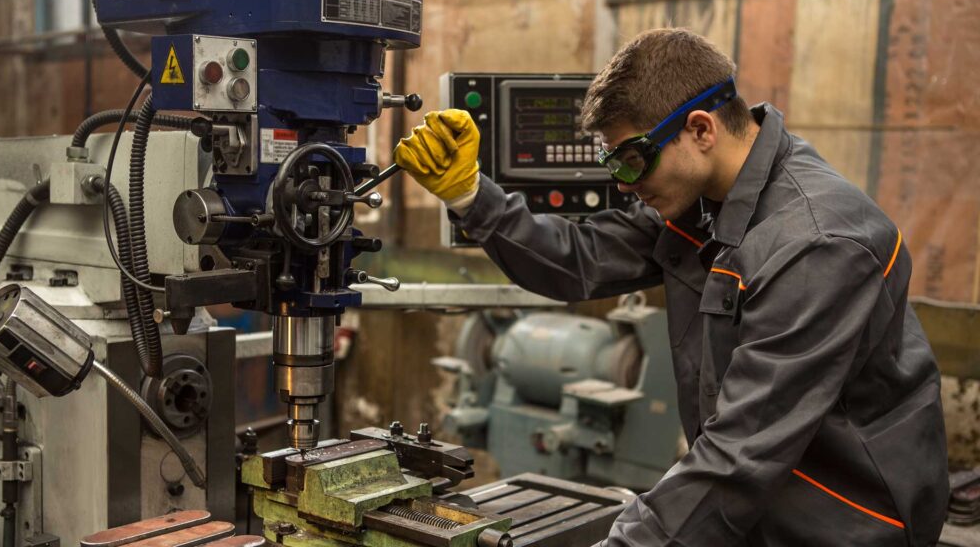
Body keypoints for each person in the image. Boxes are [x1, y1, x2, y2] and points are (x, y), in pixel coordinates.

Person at [393, 28, 949, 546]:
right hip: (762, 499)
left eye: (633, 160)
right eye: (613, 163)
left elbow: (739, 454)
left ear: (700, 129)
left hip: (845, 520)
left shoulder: (818, 244)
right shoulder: (706, 204)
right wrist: (471, 195)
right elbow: (580, 260)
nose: (623, 184)